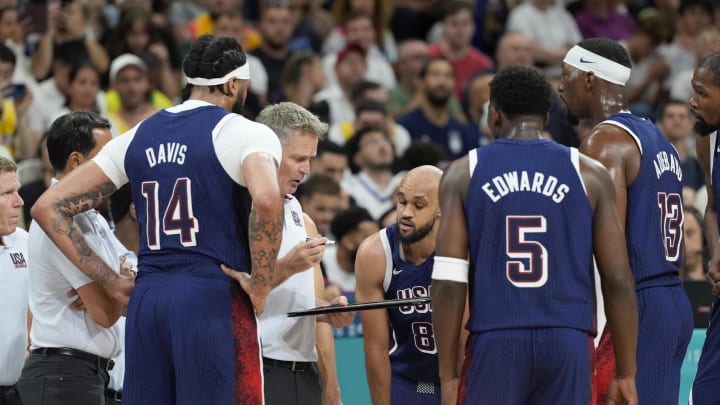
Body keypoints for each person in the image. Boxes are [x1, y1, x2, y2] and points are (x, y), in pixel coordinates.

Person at [29, 35, 286, 404]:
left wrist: (112, 281)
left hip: (148, 301)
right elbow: (266, 198)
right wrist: (260, 284)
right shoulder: (245, 131)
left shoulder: (139, 133)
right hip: (210, 295)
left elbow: (47, 206)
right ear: (233, 83)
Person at [431, 66, 639, 404]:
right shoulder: (590, 172)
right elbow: (617, 279)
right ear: (546, 116)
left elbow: (447, 282)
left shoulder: (463, 172)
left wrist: (447, 375)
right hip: (567, 339)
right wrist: (626, 373)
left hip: (496, 338)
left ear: (494, 114)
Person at [558, 37, 693, 405]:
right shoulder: (660, 140)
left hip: (634, 306)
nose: (559, 86)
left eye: (565, 75)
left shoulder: (603, 142)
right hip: (673, 299)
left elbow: (603, 244)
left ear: (588, 79)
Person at [246, 101, 352, 405]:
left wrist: (329, 309)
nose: (306, 169)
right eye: (297, 158)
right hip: (258, 365)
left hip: (304, 372)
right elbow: (232, 296)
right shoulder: (239, 209)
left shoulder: (302, 217)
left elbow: (314, 312)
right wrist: (288, 266)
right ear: (268, 151)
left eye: (310, 159)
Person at [16, 111, 124, 405]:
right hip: (62, 378)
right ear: (77, 161)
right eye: (106, 159)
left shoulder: (93, 218)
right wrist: (115, 286)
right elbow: (106, 312)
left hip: (82, 376)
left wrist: (112, 283)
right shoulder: (59, 222)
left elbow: (129, 272)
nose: (113, 169)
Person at [355, 165, 444, 404]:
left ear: (442, 209)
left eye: (419, 205)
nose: (406, 212)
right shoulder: (375, 253)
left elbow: (465, 341)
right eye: (402, 202)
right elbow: (376, 348)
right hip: (407, 380)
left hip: (460, 376)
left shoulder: (463, 247)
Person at [688, 51, 720, 404]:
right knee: (706, 392)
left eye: (702, 92)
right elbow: (712, 206)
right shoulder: (707, 137)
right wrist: (716, 252)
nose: (693, 101)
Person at [0, 157, 27, 405]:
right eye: (7, 193)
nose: (19, 201)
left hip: (17, 391)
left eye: (17, 190)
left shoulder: (26, 242)